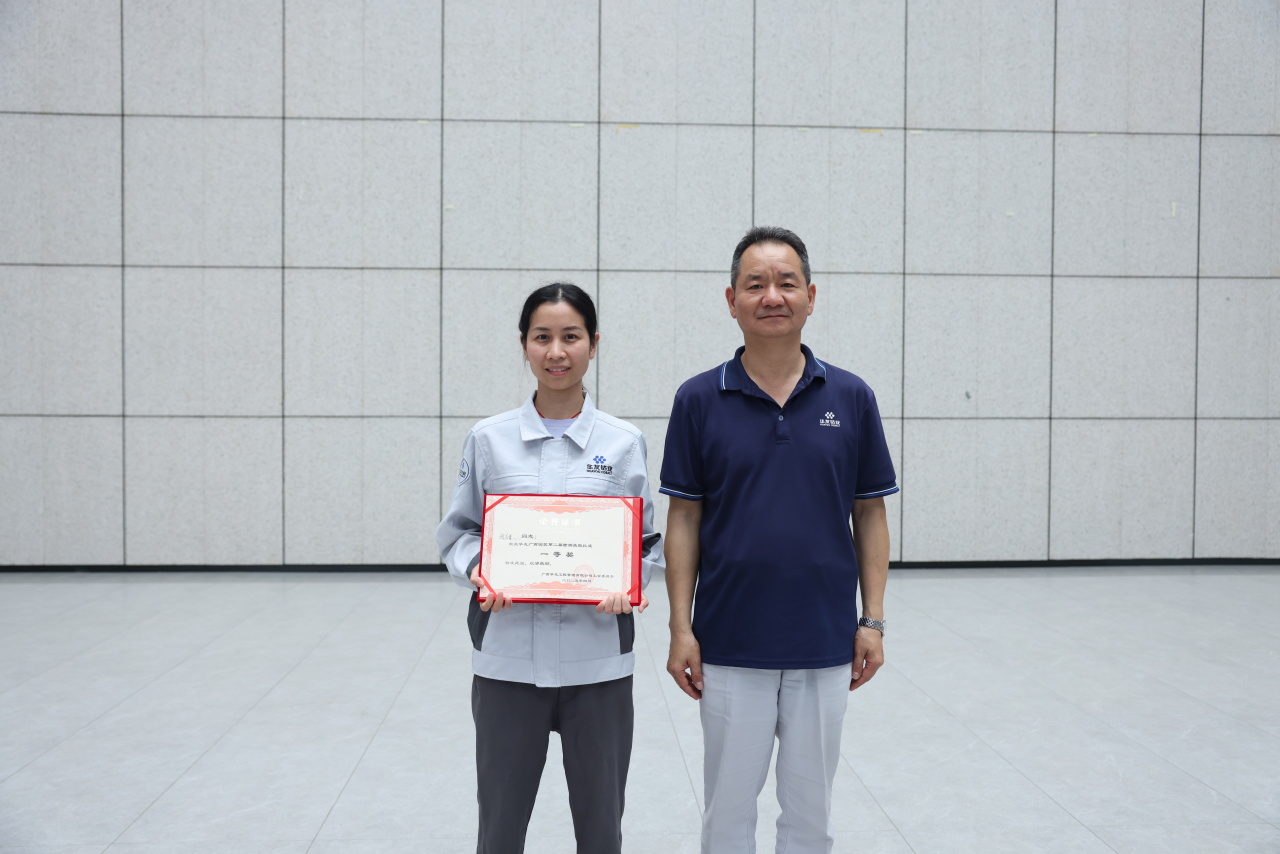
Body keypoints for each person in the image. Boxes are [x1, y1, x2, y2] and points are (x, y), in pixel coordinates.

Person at [661, 226, 898, 854]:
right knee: (727, 813)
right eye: (755, 284)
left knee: (810, 815)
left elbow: (870, 512)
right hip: (729, 641)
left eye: (787, 283)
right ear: (731, 300)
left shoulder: (851, 396)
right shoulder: (698, 399)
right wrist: (681, 628)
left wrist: (872, 619)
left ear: (811, 297)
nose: (772, 296)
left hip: (824, 641)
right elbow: (683, 519)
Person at [436, 283, 663, 854]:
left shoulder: (624, 442)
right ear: (524, 345)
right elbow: (459, 532)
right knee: (500, 830)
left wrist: (629, 583)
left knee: (601, 829)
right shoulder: (488, 440)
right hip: (507, 663)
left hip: (598, 664)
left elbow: (645, 541)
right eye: (542, 337)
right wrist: (480, 570)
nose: (556, 351)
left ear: (594, 344)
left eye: (571, 336)